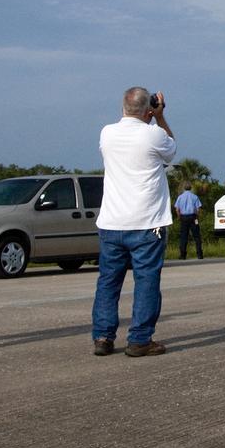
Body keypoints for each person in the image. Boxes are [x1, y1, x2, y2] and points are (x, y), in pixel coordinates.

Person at [91, 87, 177, 358]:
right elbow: (171, 149)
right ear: (148, 109)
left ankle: (103, 337)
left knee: (108, 282)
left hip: (112, 222)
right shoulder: (153, 134)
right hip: (146, 223)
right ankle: (139, 339)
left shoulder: (107, 133)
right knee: (146, 280)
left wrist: (148, 116)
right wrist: (160, 118)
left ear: (123, 107)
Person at [175, 182, 204, 260]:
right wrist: (197, 217)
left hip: (183, 217)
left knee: (183, 236)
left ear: (184, 188)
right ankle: (199, 254)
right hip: (193, 217)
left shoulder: (180, 197)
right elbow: (198, 209)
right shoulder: (195, 197)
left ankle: (183, 255)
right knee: (197, 236)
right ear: (191, 188)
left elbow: (177, 209)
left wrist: (179, 217)